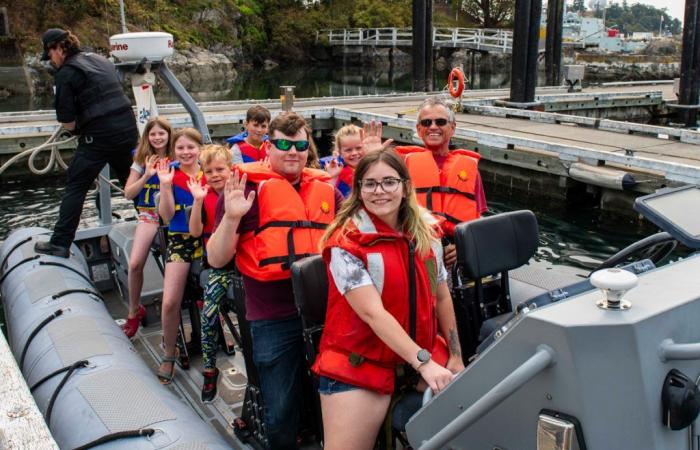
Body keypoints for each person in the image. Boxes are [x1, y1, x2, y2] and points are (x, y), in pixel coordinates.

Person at [207, 112, 345, 449]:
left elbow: (354, 230)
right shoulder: (242, 190)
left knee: (332, 391)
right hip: (272, 317)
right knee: (280, 407)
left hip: (323, 312)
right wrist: (232, 217)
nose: (292, 152)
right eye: (283, 144)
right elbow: (216, 258)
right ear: (268, 147)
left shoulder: (326, 190)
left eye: (299, 145)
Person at [313, 149, 464, 450]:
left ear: (406, 186)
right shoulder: (345, 244)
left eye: (389, 182)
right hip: (361, 362)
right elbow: (373, 314)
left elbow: (441, 295)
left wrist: (456, 356)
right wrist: (424, 364)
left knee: (472, 421)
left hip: (421, 352)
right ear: (358, 191)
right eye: (369, 184)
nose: (379, 191)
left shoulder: (427, 235)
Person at [34, 28, 138, 258]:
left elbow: (67, 121)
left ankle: (60, 243)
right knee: (133, 181)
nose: (51, 60)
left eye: (50, 54)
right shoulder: (99, 59)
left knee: (76, 185)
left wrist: (78, 131)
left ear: (59, 49)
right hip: (128, 129)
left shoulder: (66, 73)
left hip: (99, 137)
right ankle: (158, 228)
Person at [395, 97, 487, 268]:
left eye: (441, 121)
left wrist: (464, 247)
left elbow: (478, 221)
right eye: (426, 122)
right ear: (419, 129)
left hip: (455, 252)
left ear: (452, 128)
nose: (433, 127)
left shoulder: (469, 169)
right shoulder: (401, 166)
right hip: (415, 250)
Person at [155, 128, 205, 384]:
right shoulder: (170, 175)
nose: (186, 153)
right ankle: (169, 351)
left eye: (190, 147)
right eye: (181, 148)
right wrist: (165, 185)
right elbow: (164, 216)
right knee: (170, 301)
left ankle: (212, 336)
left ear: (199, 149)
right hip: (180, 241)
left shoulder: (210, 172)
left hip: (207, 239)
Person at [187, 144, 234, 402]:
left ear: (230, 169)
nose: (215, 175)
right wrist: (197, 201)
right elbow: (195, 232)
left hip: (243, 262)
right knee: (209, 314)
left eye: (220, 169)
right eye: (209, 171)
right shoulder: (204, 196)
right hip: (219, 265)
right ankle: (209, 368)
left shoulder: (239, 192)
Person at [121, 117, 173, 338]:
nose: (157, 138)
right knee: (135, 264)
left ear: (169, 135)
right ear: (147, 137)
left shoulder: (177, 155)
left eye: (162, 133)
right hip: (149, 216)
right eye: (153, 134)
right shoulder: (141, 159)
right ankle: (134, 310)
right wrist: (147, 175)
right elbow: (128, 193)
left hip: (173, 215)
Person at [325, 121, 393, 197]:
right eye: (348, 150)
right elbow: (328, 196)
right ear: (340, 151)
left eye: (359, 148)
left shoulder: (374, 166)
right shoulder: (334, 172)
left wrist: (377, 156)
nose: (354, 153)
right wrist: (333, 177)